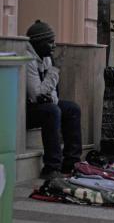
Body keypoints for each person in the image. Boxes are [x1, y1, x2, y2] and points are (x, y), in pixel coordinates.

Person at [26, 20, 82, 180]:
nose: (53, 46)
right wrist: (55, 70)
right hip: (24, 112)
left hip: (42, 105)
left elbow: (52, 95)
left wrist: (49, 96)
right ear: (38, 43)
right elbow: (35, 94)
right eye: (50, 42)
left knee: (72, 109)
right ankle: (51, 167)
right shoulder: (29, 59)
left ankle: (71, 163)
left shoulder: (46, 58)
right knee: (52, 111)